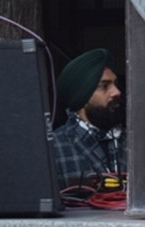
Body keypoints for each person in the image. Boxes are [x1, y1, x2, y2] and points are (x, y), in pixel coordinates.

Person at [52, 48, 127, 188]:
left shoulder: (135, 142)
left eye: (115, 84)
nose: (117, 92)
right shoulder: (54, 148)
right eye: (105, 86)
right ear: (83, 96)